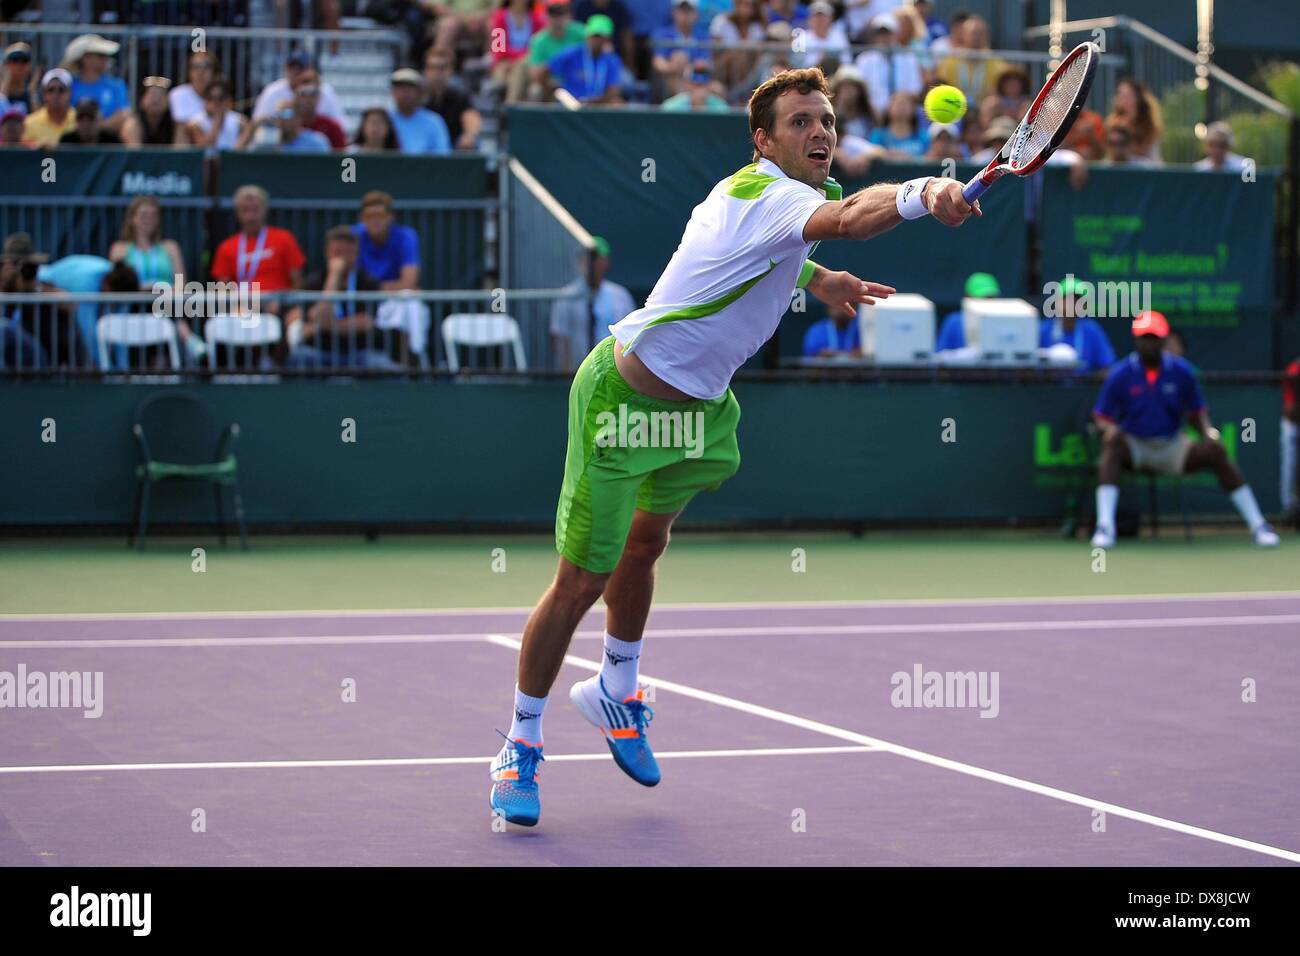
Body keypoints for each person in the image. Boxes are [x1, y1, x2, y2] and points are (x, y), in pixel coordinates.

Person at [487, 66, 977, 826]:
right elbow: (848, 216)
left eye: (825, 120)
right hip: (623, 407)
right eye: (799, 122)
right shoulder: (773, 195)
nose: (820, 131)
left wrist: (817, 280)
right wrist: (923, 195)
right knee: (580, 583)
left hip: (700, 412)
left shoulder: (761, 200)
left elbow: (773, 256)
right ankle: (519, 743)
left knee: (646, 548)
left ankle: (616, 692)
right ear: (764, 140)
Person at [1089, 310, 1278, 549]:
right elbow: (1101, 416)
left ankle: (1258, 525)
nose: (1149, 343)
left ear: (1163, 339)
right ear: (1136, 340)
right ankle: (1105, 526)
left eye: (1154, 337)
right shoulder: (1120, 374)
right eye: (1144, 337)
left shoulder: (1182, 371)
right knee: (1112, 446)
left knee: (1216, 452)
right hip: (1134, 445)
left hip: (1172, 445)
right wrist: (1109, 430)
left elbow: (1196, 413)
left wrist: (1208, 433)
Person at [285, 226, 397, 370]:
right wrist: (334, 277)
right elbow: (320, 316)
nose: (342, 259)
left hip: (360, 351)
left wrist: (321, 327)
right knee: (297, 361)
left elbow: (365, 322)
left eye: (348, 253)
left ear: (356, 254)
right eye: (337, 253)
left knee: (384, 366)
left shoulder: (368, 282)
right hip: (319, 351)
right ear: (327, 253)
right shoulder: (314, 282)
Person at [109, 195, 204, 362]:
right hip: (133, 306)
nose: (149, 220)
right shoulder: (119, 249)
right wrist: (146, 290)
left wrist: (161, 291)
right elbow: (117, 286)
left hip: (166, 303)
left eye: (153, 215)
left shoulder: (170, 247)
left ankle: (187, 345)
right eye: (144, 215)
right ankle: (189, 339)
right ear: (132, 219)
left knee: (165, 304)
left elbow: (182, 283)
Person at [352, 191, 430, 363]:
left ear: (391, 217)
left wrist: (375, 288)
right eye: (369, 216)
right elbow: (353, 283)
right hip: (364, 306)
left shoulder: (406, 236)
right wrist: (384, 289)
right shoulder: (354, 236)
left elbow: (409, 282)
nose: (375, 221)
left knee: (409, 303)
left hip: (394, 302)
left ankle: (413, 359)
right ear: (362, 219)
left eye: (380, 215)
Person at [210, 185, 306, 319]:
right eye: (245, 210)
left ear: (265, 210)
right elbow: (223, 289)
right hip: (241, 306)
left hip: (278, 307)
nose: (251, 216)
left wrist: (283, 301)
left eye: (255, 209)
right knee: (219, 322)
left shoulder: (284, 239)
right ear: (238, 213)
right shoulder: (227, 247)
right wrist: (238, 304)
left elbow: (298, 282)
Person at [549, 236, 636, 371]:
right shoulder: (565, 298)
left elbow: (632, 338)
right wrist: (568, 376)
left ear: (606, 262)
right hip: (578, 374)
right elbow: (560, 339)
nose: (592, 264)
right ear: (579, 262)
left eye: (596, 259)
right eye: (588, 258)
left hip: (615, 373)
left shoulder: (621, 296)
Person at [1038, 275, 1115, 371]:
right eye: (1067, 299)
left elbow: (1108, 368)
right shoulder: (1043, 330)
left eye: (1077, 300)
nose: (1072, 304)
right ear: (1057, 302)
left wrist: (1087, 380)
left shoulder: (1092, 331)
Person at [253, 49, 345, 125]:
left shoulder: (326, 91)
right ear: (285, 68)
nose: (295, 72)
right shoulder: (272, 90)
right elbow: (258, 123)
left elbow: (340, 124)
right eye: (292, 67)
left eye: (300, 67)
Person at [548, 14, 625, 104]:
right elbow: (544, 71)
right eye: (594, 36)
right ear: (587, 36)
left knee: (617, 103)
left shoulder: (611, 60)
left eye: (600, 37)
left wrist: (594, 102)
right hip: (570, 104)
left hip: (599, 104)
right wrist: (556, 91)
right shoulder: (572, 53)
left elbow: (614, 89)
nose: (596, 41)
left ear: (607, 39)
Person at [64, 34, 130, 136]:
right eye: (101, 56)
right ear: (86, 58)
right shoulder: (69, 86)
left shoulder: (116, 85)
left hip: (108, 142)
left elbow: (123, 115)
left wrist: (94, 128)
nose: (106, 59)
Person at [524, 1, 587, 103]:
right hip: (550, 84)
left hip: (578, 81)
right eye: (553, 14)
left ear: (568, 15)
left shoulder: (581, 32)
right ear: (547, 16)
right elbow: (535, 74)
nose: (557, 19)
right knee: (535, 91)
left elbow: (602, 50)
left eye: (561, 14)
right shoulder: (539, 40)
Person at [652, 0, 711, 99]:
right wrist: (676, 66)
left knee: (718, 89)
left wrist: (690, 68)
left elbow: (705, 63)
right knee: (679, 57)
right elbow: (659, 63)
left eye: (688, 11)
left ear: (696, 13)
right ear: (674, 13)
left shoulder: (703, 36)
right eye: (681, 11)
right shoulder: (662, 34)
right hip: (670, 82)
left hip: (699, 82)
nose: (685, 16)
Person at [424, 49, 481, 150]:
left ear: (451, 71)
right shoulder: (418, 98)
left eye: (442, 68)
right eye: (433, 68)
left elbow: (471, 118)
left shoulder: (460, 97)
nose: (437, 73)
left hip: (453, 152)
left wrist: (469, 135)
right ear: (426, 71)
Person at [387, 69, 451, 154]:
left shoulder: (434, 121)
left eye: (409, 88)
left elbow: (442, 154)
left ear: (419, 93)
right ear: (393, 92)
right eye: (400, 88)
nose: (404, 93)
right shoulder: (385, 120)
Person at [239, 97, 331, 153]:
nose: (282, 118)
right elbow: (237, 159)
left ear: (299, 118)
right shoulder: (266, 144)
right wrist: (251, 130)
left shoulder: (316, 143)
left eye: (287, 113)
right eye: (278, 114)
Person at [935, 271, 998, 352]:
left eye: (990, 298)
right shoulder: (954, 321)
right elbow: (939, 355)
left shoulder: (1003, 322)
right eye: (981, 298)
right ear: (968, 297)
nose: (986, 302)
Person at [1107, 77, 1162, 164]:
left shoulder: (1148, 123)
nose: (1123, 99)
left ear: (1137, 98)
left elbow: (1145, 147)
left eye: (1128, 95)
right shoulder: (1113, 122)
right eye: (1120, 94)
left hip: (1146, 166)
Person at [183, 76, 246, 151]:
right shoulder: (195, 124)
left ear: (228, 100)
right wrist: (218, 120)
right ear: (205, 101)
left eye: (220, 98)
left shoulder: (240, 122)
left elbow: (241, 150)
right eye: (211, 98)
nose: (216, 103)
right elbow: (204, 149)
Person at [290, 70, 347, 149]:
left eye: (313, 93)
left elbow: (342, 158)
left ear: (319, 97)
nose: (308, 98)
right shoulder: (287, 127)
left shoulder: (332, 127)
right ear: (295, 97)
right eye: (303, 93)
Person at [122, 76, 183, 147]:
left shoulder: (176, 125)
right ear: (142, 100)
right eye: (152, 94)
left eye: (161, 94)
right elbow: (135, 154)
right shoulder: (133, 124)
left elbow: (180, 153)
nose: (156, 99)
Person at [23, 69, 77, 148]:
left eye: (61, 90)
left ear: (70, 93)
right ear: (44, 94)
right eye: (51, 90)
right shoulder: (29, 123)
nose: (55, 94)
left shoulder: (80, 120)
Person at [868, 90, 926, 157]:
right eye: (897, 103)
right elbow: (871, 156)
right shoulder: (878, 135)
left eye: (906, 104)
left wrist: (908, 158)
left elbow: (930, 159)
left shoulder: (923, 136)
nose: (901, 107)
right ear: (888, 108)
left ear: (913, 109)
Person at [169, 51, 220, 125]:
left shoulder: (221, 96)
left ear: (214, 72)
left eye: (206, 66)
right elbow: (184, 129)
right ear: (189, 72)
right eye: (196, 67)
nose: (201, 72)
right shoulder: (178, 94)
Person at [661, 61, 729, 111]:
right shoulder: (671, 107)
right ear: (686, 83)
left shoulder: (720, 107)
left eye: (703, 79)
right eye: (694, 78)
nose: (699, 84)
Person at [1282, 354, 1299, 521]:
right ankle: (1289, 507)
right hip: (1294, 422)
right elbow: (1289, 409)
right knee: (1290, 462)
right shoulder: (1295, 369)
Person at [1, 42, 36, 116]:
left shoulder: (30, 94)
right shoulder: (2, 93)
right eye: (15, 61)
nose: (19, 66)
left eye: (24, 61)